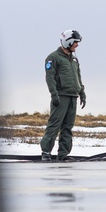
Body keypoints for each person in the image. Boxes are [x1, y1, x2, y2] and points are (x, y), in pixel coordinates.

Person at [40, 30, 86, 162]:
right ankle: (46, 152)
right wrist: (54, 95)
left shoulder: (74, 59)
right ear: (68, 42)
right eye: (75, 42)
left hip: (73, 96)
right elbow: (50, 78)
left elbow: (78, 77)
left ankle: (63, 154)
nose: (77, 45)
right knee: (54, 125)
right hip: (61, 97)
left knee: (67, 127)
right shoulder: (53, 58)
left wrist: (82, 92)